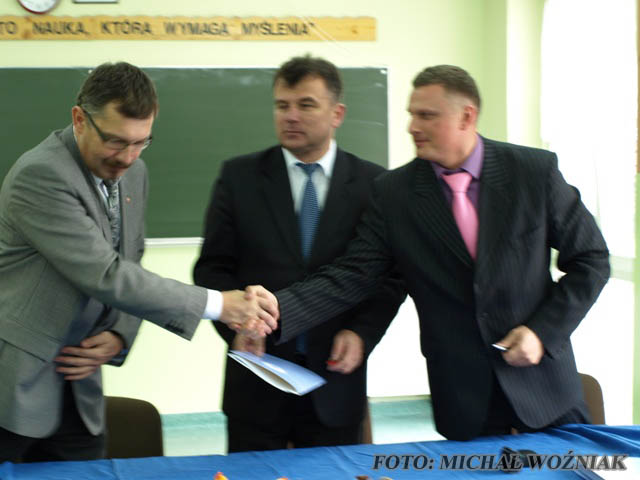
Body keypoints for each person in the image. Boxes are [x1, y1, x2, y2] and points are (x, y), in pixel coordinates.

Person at [268, 65, 610, 441]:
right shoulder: (394, 193)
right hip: (464, 399)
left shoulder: (533, 172)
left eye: (426, 115)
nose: (412, 126)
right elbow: (353, 274)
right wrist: (276, 309)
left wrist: (541, 332)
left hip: (547, 390)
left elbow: (591, 259)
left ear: (467, 117)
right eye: (411, 114)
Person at [0, 62, 277, 463]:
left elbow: (131, 260)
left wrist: (120, 333)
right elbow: (105, 274)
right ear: (79, 119)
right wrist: (220, 304)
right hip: (16, 380)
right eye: (115, 142)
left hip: (80, 384)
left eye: (140, 142)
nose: (127, 158)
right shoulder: (42, 175)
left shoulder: (135, 173)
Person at [193, 55, 405, 452]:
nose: (290, 116)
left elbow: (389, 277)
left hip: (336, 379)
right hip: (257, 377)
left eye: (306, 105)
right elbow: (212, 269)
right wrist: (237, 328)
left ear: (337, 113)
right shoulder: (239, 178)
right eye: (282, 105)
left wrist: (362, 332)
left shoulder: (374, 184)